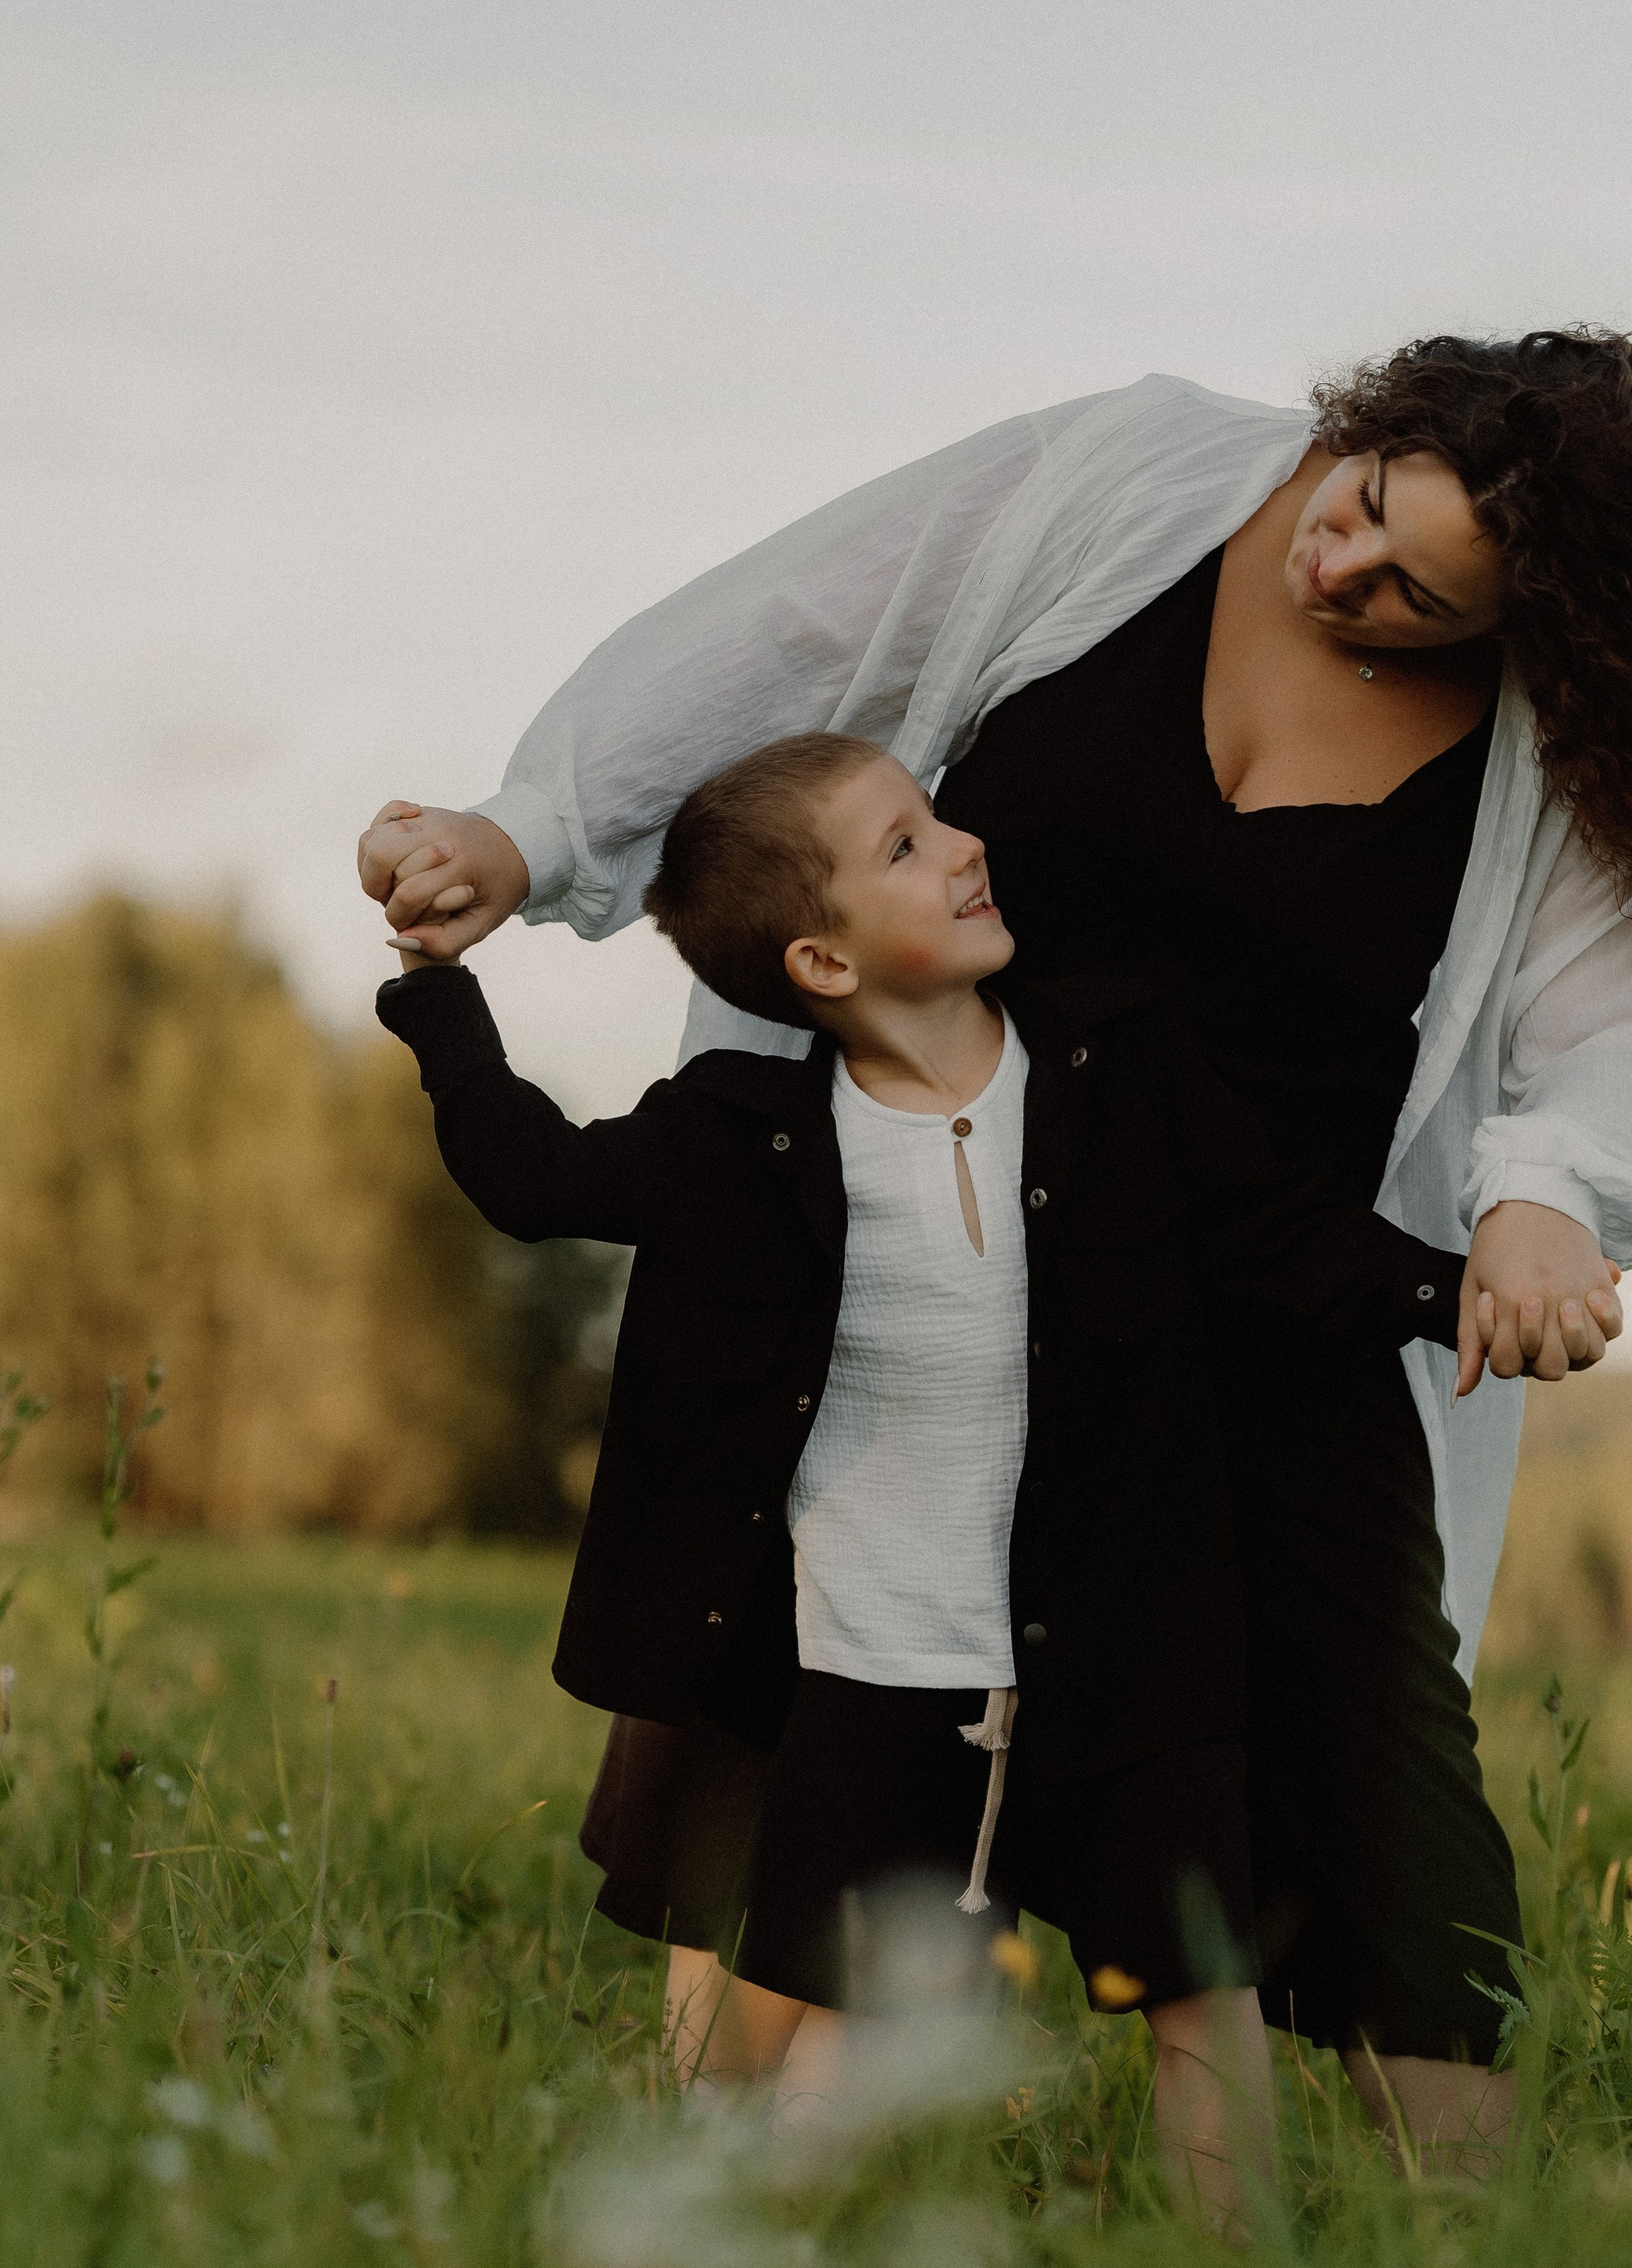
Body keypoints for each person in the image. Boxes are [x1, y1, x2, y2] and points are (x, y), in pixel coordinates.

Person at [360, 332, 1632, 2169]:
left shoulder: (1546, 743)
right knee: (784, 1726)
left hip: (1262, 1305)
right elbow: (797, 627)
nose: (1339, 569)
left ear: (1531, 626)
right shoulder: (1124, 485)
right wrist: (526, 833)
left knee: (1373, 1806)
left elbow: (1614, 1022)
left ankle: (1465, 2227)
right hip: (910, 1257)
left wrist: (1541, 1199)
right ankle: (722, 2188)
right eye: (1360, 503)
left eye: (1415, 596)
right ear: (1377, 425)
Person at [377, 728, 1468, 2227]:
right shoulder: (740, 1137)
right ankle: (769, 2233)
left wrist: (1460, 1293)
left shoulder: (1117, 1066)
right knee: (850, 2006)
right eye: (905, 845)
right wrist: (436, 991)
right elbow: (537, 1176)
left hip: (1126, 1656)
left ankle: (1232, 2248)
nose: (962, 846)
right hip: (873, 1672)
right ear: (823, 963)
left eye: (937, 820)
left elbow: (1278, 1234)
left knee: (1198, 1982)